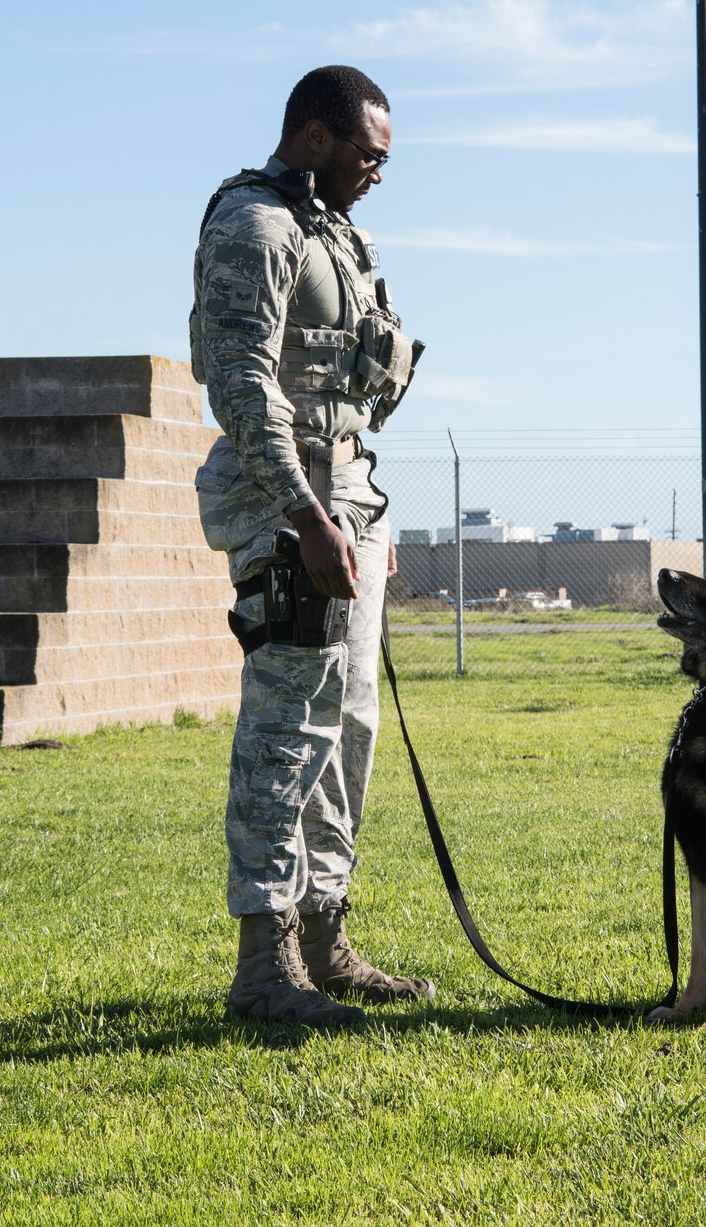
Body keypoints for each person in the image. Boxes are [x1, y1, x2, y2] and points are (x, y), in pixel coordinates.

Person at [190, 65, 431, 1025]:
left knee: (348, 731)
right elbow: (243, 385)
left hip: (343, 497)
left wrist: (358, 517)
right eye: (369, 154)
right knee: (286, 733)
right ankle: (264, 963)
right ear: (316, 137)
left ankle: (325, 937)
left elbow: (344, 391)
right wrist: (307, 517)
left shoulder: (335, 232)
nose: (378, 172)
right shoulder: (257, 227)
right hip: (289, 503)